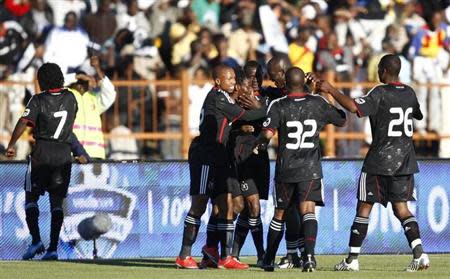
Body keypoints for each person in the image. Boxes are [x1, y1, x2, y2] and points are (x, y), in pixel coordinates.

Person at [316, 54, 430, 272]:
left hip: (379, 161)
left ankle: (352, 260)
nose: (378, 72)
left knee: (363, 208)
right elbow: (419, 115)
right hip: (405, 161)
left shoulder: (380, 92)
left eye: (379, 69)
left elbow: (352, 107)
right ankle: (420, 255)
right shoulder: (409, 92)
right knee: (402, 210)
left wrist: (330, 89)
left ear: (384, 71)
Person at [175, 64, 265, 269]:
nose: (233, 81)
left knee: (227, 204)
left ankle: (225, 257)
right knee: (199, 204)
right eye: (230, 78)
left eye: (234, 78)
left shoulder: (223, 97)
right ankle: (184, 255)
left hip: (219, 155)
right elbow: (246, 115)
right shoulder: (218, 97)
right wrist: (269, 110)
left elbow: (229, 123)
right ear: (218, 81)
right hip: (205, 155)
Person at [256, 67, 346, 272]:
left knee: (279, 214)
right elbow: (342, 119)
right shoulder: (317, 102)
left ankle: (268, 259)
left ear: (285, 85)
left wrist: (258, 144)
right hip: (310, 168)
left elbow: (267, 134)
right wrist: (324, 94)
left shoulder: (278, 104)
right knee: (308, 211)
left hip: (286, 168)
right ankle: (309, 258)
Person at [5, 63, 78, 260]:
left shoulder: (38, 100)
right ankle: (53, 249)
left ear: (42, 80)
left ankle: (36, 240)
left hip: (42, 152)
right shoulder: (71, 98)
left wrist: (11, 144)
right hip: (64, 153)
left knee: (31, 197)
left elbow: (23, 122)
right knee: (57, 202)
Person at [229, 61, 269, 267]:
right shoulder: (238, 99)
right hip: (242, 158)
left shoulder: (267, 98)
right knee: (252, 206)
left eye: (258, 76)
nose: (254, 80)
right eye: (250, 76)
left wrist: (261, 108)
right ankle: (262, 255)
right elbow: (226, 126)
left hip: (260, 159)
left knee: (248, 208)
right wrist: (239, 129)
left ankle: (233, 253)